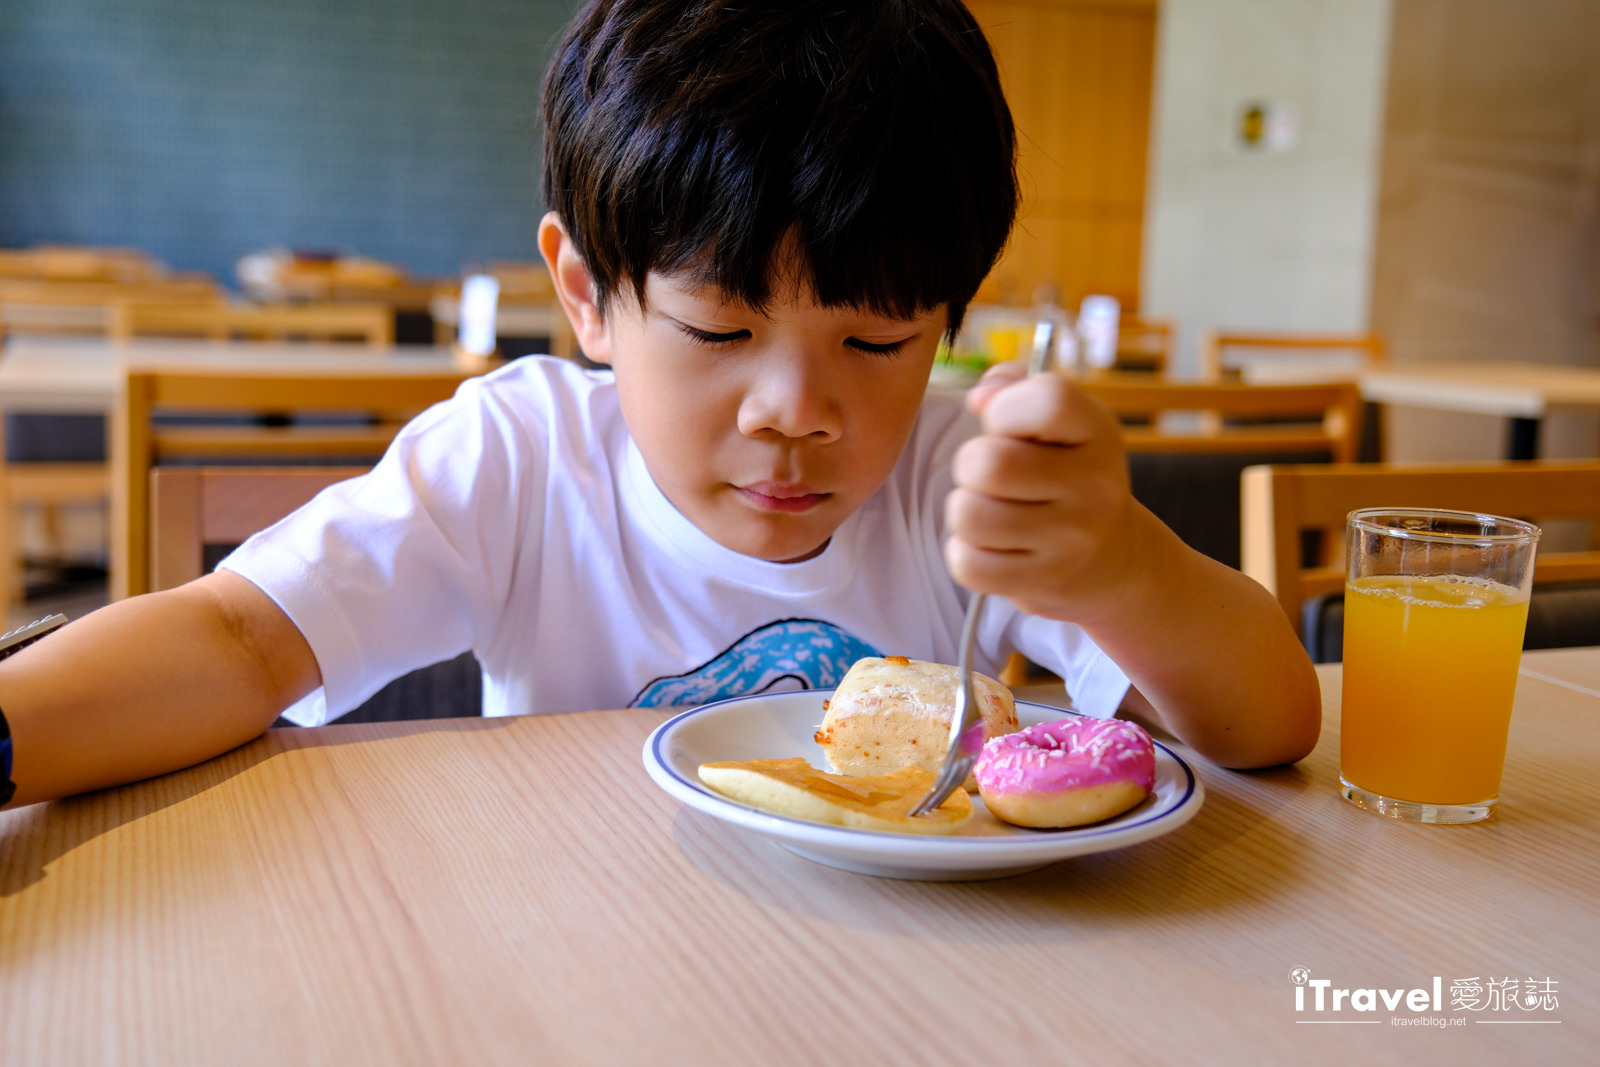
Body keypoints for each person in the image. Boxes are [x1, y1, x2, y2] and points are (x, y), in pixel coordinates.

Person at [0, 0, 1319, 810]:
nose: (795, 409)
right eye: (718, 330)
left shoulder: (959, 477)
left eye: (876, 338)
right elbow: (238, 639)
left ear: (951, 320)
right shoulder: (520, 462)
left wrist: (1125, 567)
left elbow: (1269, 730)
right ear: (585, 291)